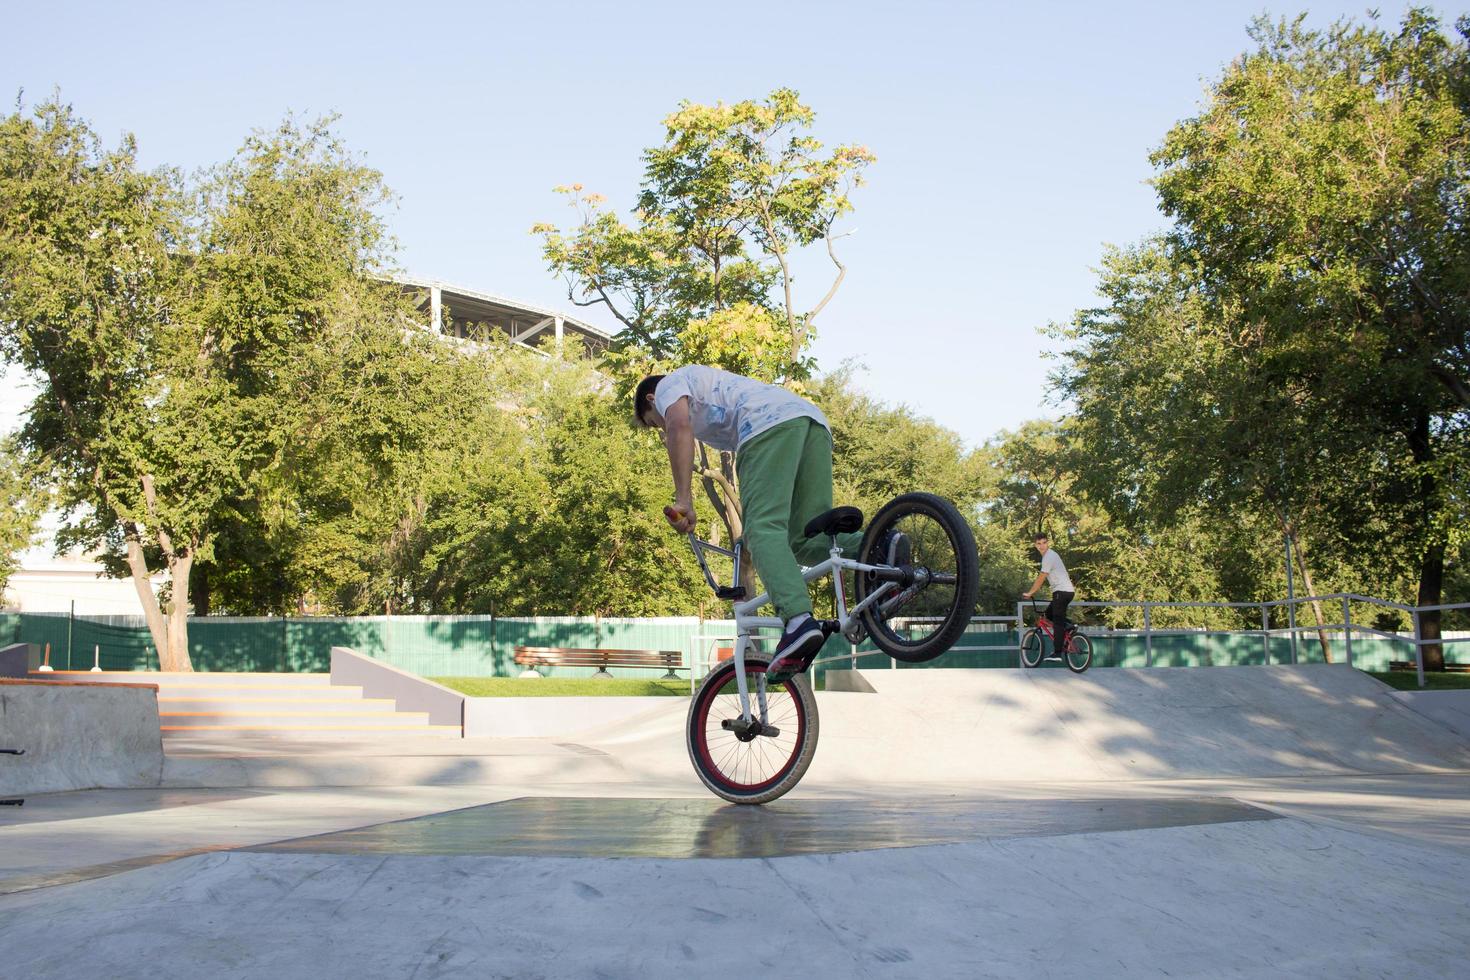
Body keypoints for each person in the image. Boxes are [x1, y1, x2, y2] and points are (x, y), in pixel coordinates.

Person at [635, 365, 906, 678]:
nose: (661, 428)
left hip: (767, 425)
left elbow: (679, 428)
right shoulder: (708, 387)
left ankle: (797, 621)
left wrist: (684, 499)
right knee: (805, 540)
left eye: (655, 423)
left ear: (652, 400)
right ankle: (883, 546)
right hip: (812, 423)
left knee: (762, 530)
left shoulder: (669, 386)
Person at [1023, 533, 1075, 653]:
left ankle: (1057, 653)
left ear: (1048, 543)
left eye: (1044, 543)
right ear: (1035, 545)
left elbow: (1041, 578)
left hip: (1061, 592)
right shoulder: (1050, 556)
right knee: (1048, 615)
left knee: (1057, 622)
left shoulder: (1048, 557)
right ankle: (1069, 626)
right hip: (1067, 592)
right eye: (1039, 543)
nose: (1042, 546)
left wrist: (1030, 593)